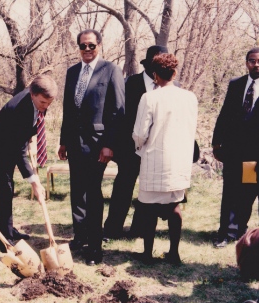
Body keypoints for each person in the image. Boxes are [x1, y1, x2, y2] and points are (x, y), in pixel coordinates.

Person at [58, 29, 125, 265]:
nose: (87, 50)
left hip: (97, 145)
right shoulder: (72, 72)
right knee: (77, 192)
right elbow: (68, 108)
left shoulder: (111, 70)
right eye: (83, 46)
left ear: (99, 46)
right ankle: (80, 236)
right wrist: (63, 141)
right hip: (75, 144)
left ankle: (95, 247)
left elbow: (118, 112)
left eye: (91, 46)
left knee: (93, 194)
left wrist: (109, 145)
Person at [0, 75, 55, 252]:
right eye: (43, 102)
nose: (45, 107)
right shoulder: (18, 110)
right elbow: (19, 153)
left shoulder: (39, 100)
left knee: (7, 190)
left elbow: (27, 132)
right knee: (1, 191)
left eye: (49, 103)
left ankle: (8, 230)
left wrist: (31, 141)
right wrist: (34, 182)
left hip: (6, 148)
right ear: (33, 94)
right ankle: (2, 240)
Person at [132, 53, 198, 265]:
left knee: (150, 209)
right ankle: (174, 253)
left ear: (154, 75)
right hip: (179, 160)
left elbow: (140, 133)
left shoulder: (149, 97)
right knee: (174, 207)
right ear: (175, 72)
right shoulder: (190, 97)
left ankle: (148, 254)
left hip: (154, 159)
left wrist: (139, 146)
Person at [103, 45, 174, 241]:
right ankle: (112, 229)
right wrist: (112, 145)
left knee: (149, 192)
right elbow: (116, 115)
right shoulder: (128, 84)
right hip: (129, 149)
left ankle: (139, 229)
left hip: (157, 150)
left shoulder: (170, 89)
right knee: (123, 190)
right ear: (148, 63)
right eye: (156, 62)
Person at [212, 47, 259, 248]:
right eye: (252, 61)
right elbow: (224, 115)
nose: (256, 65)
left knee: (247, 192)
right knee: (230, 190)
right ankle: (227, 233)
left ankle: (241, 229)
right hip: (233, 150)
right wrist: (216, 142)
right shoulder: (236, 84)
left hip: (254, 154)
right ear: (246, 63)